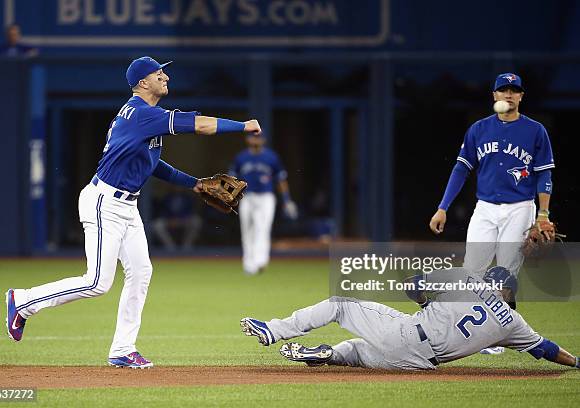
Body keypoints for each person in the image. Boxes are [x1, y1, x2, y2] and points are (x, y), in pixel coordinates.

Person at [5, 56, 262, 368]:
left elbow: (153, 165)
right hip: (104, 203)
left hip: (127, 205)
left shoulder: (143, 117)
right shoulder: (142, 114)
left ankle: (122, 349)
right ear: (143, 83)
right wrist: (243, 126)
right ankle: (22, 301)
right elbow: (200, 125)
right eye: (158, 74)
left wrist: (194, 184)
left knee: (141, 272)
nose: (165, 76)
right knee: (97, 282)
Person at [428, 73, 555, 354]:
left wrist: (543, 214)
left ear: (521, 96)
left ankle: (498, 335)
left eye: (514, 90)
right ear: (494, 96)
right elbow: (461, 168)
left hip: (520, 207)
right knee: (472, 270)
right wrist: (442, 208)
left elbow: (544, 175)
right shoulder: (478, 129)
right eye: (503, 90)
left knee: (505, 273)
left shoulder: (535, 131)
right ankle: (472, 330)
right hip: (484, 207)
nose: (509, 94)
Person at [241, 266, 579, 371]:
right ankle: (330, 355)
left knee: (339, 304)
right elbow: (547, 349)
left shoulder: (466, 278)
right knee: (359, 352)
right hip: (419, 363)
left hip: (409, 333)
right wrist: (577, 363)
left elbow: (413, 286)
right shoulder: (513, 324)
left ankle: (273, 330)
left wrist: (424, 299)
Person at [229, 133, 298, 275]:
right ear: (248, 139)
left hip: (266, 197)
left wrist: (286, 199)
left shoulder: (271, 157)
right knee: (247, 230)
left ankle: (260, 261)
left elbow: (281, 179)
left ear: (264, 139)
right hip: (247, 197)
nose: (256, 139)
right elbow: (232, 180)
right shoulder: (241, 157)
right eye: (253, 137)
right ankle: (249, 265)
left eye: (259, 137)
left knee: (263, 228)